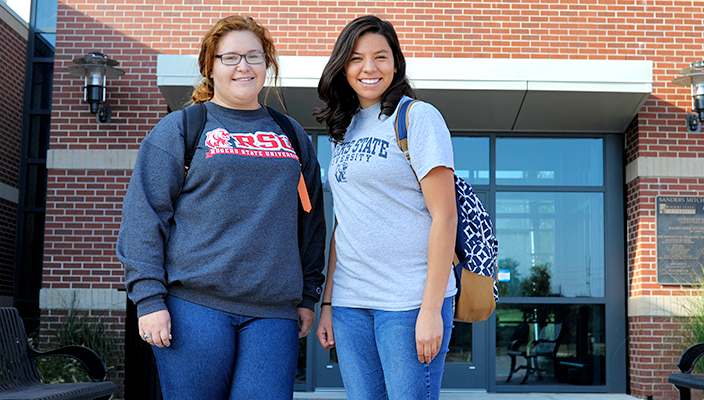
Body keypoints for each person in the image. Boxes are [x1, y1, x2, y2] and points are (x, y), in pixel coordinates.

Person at [117, 15, 326, 400]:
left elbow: (311, 221)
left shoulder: (293, 135)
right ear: (210, 67)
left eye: (253, 56)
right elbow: (144, 215)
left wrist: (310, 293)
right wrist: (148, 299)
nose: (243, 66)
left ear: (268, 64)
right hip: (194, 307)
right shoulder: (181, 128)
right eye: (229, 58)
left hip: (273, 313)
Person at [314, 15, 458, 400]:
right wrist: (328, 301)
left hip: (408, 302)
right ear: (343, 67)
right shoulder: (342, 131)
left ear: (396, 63)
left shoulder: (417, 118)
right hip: (350, 303)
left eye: (380, 56)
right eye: (357, 58)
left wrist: (430, 311)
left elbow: (445, 217)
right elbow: (344, 224)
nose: (369, 68)